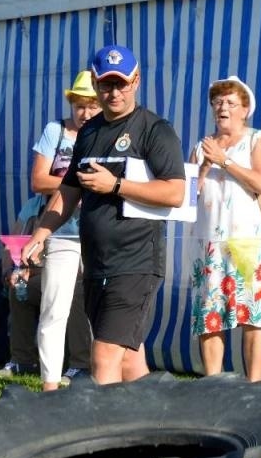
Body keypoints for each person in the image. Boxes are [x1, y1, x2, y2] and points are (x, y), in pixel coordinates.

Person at [23, 44, 187, 384]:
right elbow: (68, 191)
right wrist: (41, 233)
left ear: (136, 81)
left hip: (137, 261)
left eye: (121, 83)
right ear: (96, 84)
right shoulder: (89, 131)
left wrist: (116, 185)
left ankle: (103, 421)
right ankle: (156, 416)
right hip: (97, 262)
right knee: (129, 362)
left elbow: (175, 192)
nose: (114, 92)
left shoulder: (155, 129)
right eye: (107, 84)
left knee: (103, 357)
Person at [189, 76, 261, 382]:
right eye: (217, 102)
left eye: (230, 102)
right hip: (209, 241)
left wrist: (224, 161)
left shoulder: (256, 139)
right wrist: (204, 165)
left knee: (252, 313)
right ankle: (214, 384)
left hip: (247, 240)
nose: (222, 107)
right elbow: (187, 197)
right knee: (210, 314)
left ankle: (253, 384)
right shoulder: (201, 146)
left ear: (245, 110)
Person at [24, 70, 99, 391]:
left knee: (100, 309)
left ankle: (98, 376)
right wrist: (79, 184)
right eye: (80, 105)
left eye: (92, 105)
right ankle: (49, 385)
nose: (86, 113)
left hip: (99, 233)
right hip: (62, 231)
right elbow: (38, 180)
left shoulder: (108, 132)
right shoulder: (55, 130)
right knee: (54, 308)